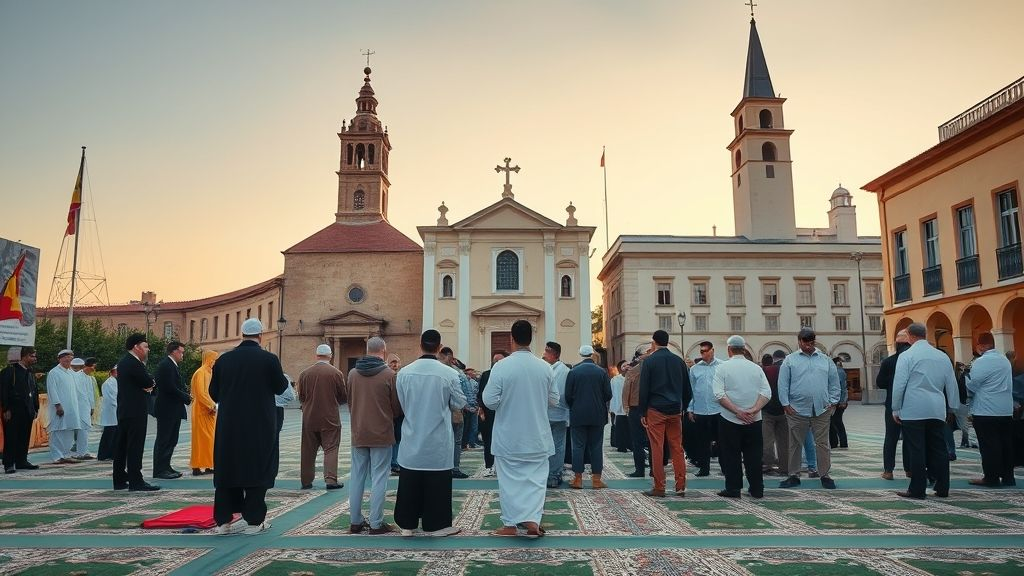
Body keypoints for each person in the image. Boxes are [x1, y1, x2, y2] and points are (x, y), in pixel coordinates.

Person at [210, 318, 288, 535]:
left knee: (228, 467)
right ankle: (254, 521)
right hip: (259, 424)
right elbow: (281, 387)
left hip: (229, 425)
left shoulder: (223, 360)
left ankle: (223, 522)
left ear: (242, 334)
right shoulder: (269, 359)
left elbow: (213, 393)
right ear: (260, 336)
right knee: (257, 467)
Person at [483, 319, 559, 537]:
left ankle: (510, 524)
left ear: (512, 338)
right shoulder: (545, 367)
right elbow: (554, 400)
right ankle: (533, 521)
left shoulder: (501, 366)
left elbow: (489, 401)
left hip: (509, 436)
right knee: (536, 482)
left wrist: (507, 400)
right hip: (537, 435)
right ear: (531, 338)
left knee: (509, 482)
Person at [394, 329, 464, 537]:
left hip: (412, 435)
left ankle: (407, 525)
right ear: (439, 347)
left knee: (409, 482)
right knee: (437, 484)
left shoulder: (404, 373)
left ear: (420, 345)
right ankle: (437, 525)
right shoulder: (449, 373)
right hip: (438, 439)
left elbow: (402, 402)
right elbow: (460, 402)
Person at [890, 322, 960, 499]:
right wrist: (953, 406)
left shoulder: (907, 356)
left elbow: (899, 384)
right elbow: (951, 383)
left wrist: (895, 408)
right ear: (925, 334)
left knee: (916, 449)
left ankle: (917, 489)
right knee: (939, 448)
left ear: (909, 336)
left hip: (913, 408)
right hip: (936, 408)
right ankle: (943, 487)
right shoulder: (941, 356)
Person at [347, 336, 401, 535]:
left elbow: (350, 401)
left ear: (367, 349)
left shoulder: (352, 373)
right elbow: (396, 407)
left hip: (359, 431)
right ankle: (376, 523)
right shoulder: (389, 374)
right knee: (379, 477)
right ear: (384, 351)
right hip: (382, 433)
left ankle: (355, 521)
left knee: (357, 476)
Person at [778, 328, 841, 490]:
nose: (808, 344)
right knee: (795, 443)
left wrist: (833, 402)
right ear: (799, 341)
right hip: (796, 410)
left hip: (821, 409)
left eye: (811, 341)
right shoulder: (790, 360)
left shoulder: (825, 360)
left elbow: (834, 382)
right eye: (805, 341)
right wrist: (785, 404)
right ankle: (793, 475)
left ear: (814, 340)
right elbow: (783, 384)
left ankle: (825, 475)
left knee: (822, 443)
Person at [713, 335, 772, 498]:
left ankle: (733, 488)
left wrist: (737, 412)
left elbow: (718, 394)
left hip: (729, 419)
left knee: (731, 455)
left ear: (729, 350)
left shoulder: (722, 368)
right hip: (754, 419)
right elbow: (766, 393)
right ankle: (757, 488)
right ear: (744, 349)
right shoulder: (756, 368)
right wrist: (754, 410)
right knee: (754, 455)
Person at [638, 329, 692, 498]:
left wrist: (642, 412)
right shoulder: (679, 361)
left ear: (654, 342)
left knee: (657, 448)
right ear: (667, 342)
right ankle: (680, 485)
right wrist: (682, 406)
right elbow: (687, 389)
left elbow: (644, 389)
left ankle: (659, 486)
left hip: (655, 410)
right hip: (675, 409)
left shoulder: (649, 361)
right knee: (677, 448)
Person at [966, 332, 1015, 487]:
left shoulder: (981, 362)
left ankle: (991, 477)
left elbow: (973, 385)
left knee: (989, 445)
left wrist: (965, 378)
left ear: (981, 346)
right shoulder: (1004, 360)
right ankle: (1008, 477)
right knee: (1006, 444)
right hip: (1005, 409)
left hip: (986, 410)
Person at [298, 344, 347, 491]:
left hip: (309, 417)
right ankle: (331, 479)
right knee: (331, 448)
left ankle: (306, 481)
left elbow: (301, 396)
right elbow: (343, 396)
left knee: (308, 450)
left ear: (316, 355)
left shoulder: (305, 374)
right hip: (330, 416)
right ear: (330, 356)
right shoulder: (336, 373)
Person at [113, 334, 159, 491]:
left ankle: (119, 479)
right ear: (136, 347)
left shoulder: (124, 362)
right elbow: (148, 381)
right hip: (135, 411)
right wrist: (150, 383)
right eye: (145, 346)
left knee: (122, 446)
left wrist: (148, 384)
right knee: (135, 446)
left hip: (125, 410)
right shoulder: (134, 363)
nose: (148, 350)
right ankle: (136, 481)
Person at [565, 344, 612, 489]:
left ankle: (578, 479)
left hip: (578, 414)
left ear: (580, 354)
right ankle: (596, 480)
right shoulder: (601, 372)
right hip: (597, 415)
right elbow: (608, 394)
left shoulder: (573, 371)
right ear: (592, 354)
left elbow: (568, 395)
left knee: (577, 446)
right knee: (596, 446)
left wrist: (575, 406)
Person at [876, 329, 911, 480]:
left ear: (897, 344)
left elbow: (880, 382)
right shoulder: (913, 360)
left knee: (891, 438)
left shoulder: (889, 361)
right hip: (911, 404)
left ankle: (888, 470)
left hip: (892, 404)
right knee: (909, 438)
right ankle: (909, 469)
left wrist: (892, 382)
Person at [153, 341, 191, 480]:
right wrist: (185, 396)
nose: (182, 355)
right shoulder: (166, 365)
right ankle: (160, 470)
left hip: (173, 408)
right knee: (164, 439)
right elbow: (169, 387)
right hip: (167, 409)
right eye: (181, 352)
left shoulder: (172, 365)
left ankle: (166, 466)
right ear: (174, 351)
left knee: (171, 439)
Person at [686, 341, 723, 477]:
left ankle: (725, 468)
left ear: (712, 350)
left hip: (718, 409)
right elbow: (692, 390)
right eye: (701, 351)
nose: (703, 354)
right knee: (702, 442)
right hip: (701, 410)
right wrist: (690, 408)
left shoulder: (722, 366)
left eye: (706, 351)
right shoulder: (695, 369)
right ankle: (704, 468)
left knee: (722, 441)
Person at [1, 346, 39, 473]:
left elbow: (34, 391)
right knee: (12, 437)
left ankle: (21, 461)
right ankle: (9, 463)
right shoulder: (10, 371)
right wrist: (6, 408)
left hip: (27, 410)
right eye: (32, 356)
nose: (34, 358)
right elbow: (3, 390)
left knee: (24, 436)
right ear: (24, 356)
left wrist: (35, 408)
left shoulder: (30, 372)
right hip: (13, 411)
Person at [542, 341, 570, 488]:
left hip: (557, 413)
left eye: (547, 351)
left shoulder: (564, 371)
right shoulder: (545, 368)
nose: (544, 354)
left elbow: (566, 393)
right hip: (546, 414)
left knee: (557, 445)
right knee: (548, 445)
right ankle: (549, 473)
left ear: (555, 354)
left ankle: (553, 474)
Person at [621, 346, 652, 478]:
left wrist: (626, 407)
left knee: (637, 441)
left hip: (636, 407)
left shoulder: (633, 371)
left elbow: (626, 391)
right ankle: (654, 469)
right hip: (651, 408)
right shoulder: (655, 369)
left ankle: (640, 470)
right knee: (653, 440)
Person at [46, 349, 80, 465]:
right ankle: (57, 456)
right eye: (64, 357)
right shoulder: (54, 372)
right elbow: (52, 390)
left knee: (69, 431)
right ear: (59, 359)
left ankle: (66, 455)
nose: (67, 359)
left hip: (71, 408)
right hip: (59, 408)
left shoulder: (70, 372)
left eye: (69, 357)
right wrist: (57, 405)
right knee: (57, 431)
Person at [477, 351, 506, 478]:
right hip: (488, 414)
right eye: (495, 360)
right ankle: (489, 466)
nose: (497, 363)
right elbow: (480, 394)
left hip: (504, 414)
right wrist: (481, 410)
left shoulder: (509, 375)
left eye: (500, 361)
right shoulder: (486, 375)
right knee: (488, 440)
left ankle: (502, 466)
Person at [190, 350, 218, 476]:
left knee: (208, 439)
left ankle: (208, 464)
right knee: (201, 439)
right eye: (213, 359)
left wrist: (212, 405)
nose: (214, 362)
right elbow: (201, 393)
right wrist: (211, 405)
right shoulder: (201, 372)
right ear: (208, 359)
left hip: (207, 410)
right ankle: (196, 467)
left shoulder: (208, 372)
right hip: (201, 410)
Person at [761, 349, 788, 477]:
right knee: (784, 441)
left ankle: (768, 465)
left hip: (767, 409)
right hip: (785, 409)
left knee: (767, 440)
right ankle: (785, 467)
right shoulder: (787, 369)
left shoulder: (766, 370)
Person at [70, 357, 98, 460]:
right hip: (79, 407)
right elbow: (76, 393)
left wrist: (92, 407)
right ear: (89, 366)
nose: (94, 369)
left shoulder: (89, 378)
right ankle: (80, 452)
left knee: (85, 430)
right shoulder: (76, 376)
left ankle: (84, 451)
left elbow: (90, 394)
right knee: (80, 429)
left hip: (86, 408)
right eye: (94, 366)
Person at [97, 365, 118, 462]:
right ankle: (103, 454)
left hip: (115, 412)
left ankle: (112, 454)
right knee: (109, 434)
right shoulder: (109, 383)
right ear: (113, 372)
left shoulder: (115, 382)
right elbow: (112, 399)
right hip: (111, 412)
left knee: (114, 434)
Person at [609, 360, 631, 453]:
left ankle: (630, 444)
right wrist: (612, 408)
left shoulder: (633, 377)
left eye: (628, 365)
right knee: (620, 428)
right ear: (620, 369)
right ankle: (621, 445)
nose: (627, 367)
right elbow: (612, 394)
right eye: (624, 366)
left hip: (631, 407)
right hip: (619, 407)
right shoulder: (615, 380)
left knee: (630, 428)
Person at [387, 353, 403, 475]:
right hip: (388, 414)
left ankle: (395, 462)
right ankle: (392, 463)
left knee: (398, 438)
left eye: (396, 362)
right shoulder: (386, 377)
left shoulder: (402, 377)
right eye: (392, 362)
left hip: (399, 414)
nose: (395, 365)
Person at [829, 358, 849, 449]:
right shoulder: (840, 371)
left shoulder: (838, 371)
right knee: (833, 422)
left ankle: (841, 443)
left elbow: (842, 387)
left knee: (836, 422)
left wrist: (842, 401)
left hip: (838, 401)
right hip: (837, 400)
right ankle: (834, 442)